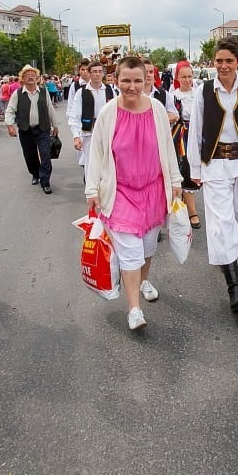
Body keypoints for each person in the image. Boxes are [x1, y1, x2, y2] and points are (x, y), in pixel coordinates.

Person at [85, 56, 182, 330]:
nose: (132, 86)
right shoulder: (108, 113)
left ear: (146, 80)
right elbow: (97, 153)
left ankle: (144, 279)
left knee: (147, 247)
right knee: (130, 252)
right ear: (115, 81)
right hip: (121, 194)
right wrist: (92, 188)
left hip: (153, 192)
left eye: (137, 80)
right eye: (125, 80)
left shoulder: (158, 110)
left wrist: (175, 180)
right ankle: (134, 309)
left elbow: (167, 147)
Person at [187, 36, 238, 312]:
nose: (223, 66)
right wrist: (194, 168)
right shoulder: (204, 90)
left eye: (229, 61)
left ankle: (226, 256)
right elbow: (195, 130)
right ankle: (235, 287)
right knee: (221, 222)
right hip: (214, 165)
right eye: (219, 61)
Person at [5, 65, 59, 193]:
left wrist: (55, 125)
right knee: (30, 156)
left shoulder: (43, 92)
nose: (30, 76)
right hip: (26, 130)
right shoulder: (18, 94)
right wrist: (10, 125)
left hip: (42, 129)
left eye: (33, 74)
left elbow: (50, 109)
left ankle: (45, 181)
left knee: (45, 155)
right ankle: (35, 174)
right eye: (27, 74)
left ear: (37, 78)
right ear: (22, 79)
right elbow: (10, 110)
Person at [170, 61, 201, 228]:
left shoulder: (199, 94)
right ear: (177, 78)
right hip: (180, 134)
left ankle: (189, 207)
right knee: (183, 168)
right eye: (184, 77)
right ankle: (190, 211)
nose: (188, 80)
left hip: (196, 133)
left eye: (190, 76)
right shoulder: (173, 95)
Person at [67, 60, 115, 170]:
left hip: (107, 133)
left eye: (100, 71)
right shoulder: (82, 92)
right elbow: (75, 115)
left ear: (103, 73)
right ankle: (91, 186)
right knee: (91, 166)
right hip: (89, 133)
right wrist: (76, 135)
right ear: (89, 73)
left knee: (108, 165)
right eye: (94, 71)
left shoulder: (110, 90)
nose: (97, 74)